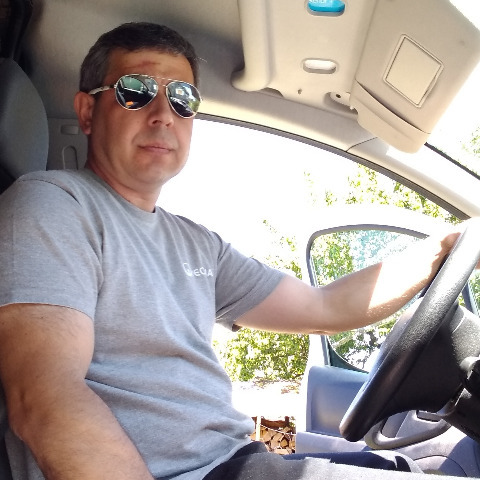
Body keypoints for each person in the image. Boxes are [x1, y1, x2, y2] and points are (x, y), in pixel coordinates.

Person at [0, 22, 476, 480]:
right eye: (135, 91)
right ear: (87, 111)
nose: (163, 113)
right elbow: (44, 395)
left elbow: (325, 306)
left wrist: (446, 246)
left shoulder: (196, 242)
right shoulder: (52, 205)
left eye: (182, 98)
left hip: (236, 459)